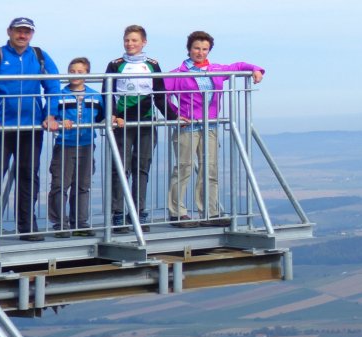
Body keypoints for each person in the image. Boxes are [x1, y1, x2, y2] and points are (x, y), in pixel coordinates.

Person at [163, 30, 264, 228]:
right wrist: (175, 115)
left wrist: (256, 69)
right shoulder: (177, 74)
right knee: (183, 169)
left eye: (204, 49)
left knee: (210, 170)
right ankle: (177, 213)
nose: (200, 52)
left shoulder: (215, 69)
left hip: (210, 126)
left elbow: (240, 65)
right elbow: (161, 96)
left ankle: (210, 212)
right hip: (187, 127)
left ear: (209, 50)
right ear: (189, 49)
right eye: (196, 48)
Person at [0, 17, 61, 242]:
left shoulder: (39, 56)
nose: (22, 35)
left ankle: (27, 227)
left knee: (28, 176)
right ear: (9, 31)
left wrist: (50, 114)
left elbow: (53, 85)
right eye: (19, 31)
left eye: (27, 32)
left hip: (31, 127)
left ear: (32, 34)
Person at [105, 24, 176, 231]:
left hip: (146, 122)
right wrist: (111, 114)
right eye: (127, 40)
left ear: (143, 42)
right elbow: (106, 92)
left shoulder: (153, 65)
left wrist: (173, 116)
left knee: (141, 169)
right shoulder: (115, 64)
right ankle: (117, 214)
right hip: (122, 124)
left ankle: (137, 213)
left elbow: (160, 96)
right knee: (120, 169)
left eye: (134, 40)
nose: (130, 44)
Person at [48, 57, 105, 238]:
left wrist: (112, 119)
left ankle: (80, 223)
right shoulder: (59, 95)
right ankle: (60, 224)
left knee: (83, 185)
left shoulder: (95, 96)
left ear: (87, 74)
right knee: (60, 184)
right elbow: (49, 118)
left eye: (80, 72)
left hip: (87, 144)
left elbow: (102, 117)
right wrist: (58, 121)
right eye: (72, 71)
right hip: (65, 144)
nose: (75, 75)